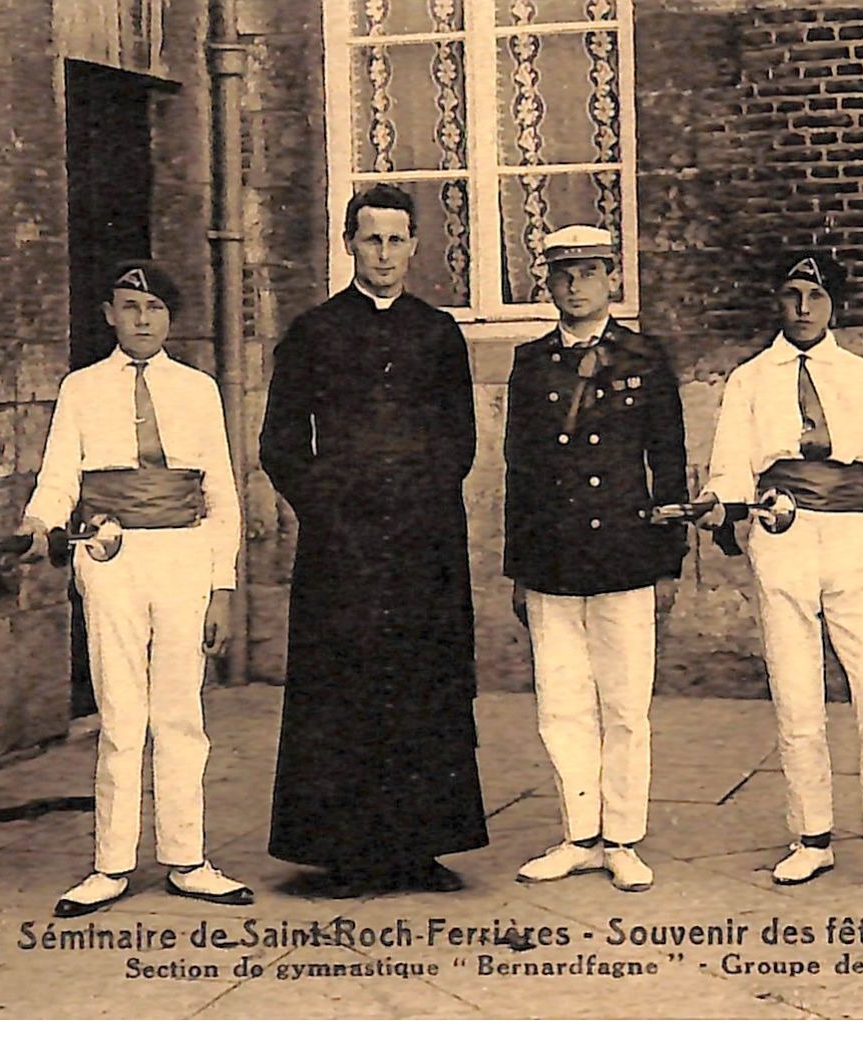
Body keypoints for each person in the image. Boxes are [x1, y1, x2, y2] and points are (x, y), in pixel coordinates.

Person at [693, 252, 863, 900]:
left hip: (851, 541)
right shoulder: (749, 379)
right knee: (797, 693)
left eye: (814, 294)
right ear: (776, 302)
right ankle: (809, 836)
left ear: (834, 303)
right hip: (782, 537)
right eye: (791, 293)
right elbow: (730, 467)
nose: (802, 307)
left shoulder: (862, 377)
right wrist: (719, 501)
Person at [260, 184, 487, 898]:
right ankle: (345, 852)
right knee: (343, 692)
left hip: (423, 546)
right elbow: (282, 443)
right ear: (348, 245)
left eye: (395, 239)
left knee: (424, 686)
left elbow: (460, 438)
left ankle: (421, 846)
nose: (383, 254)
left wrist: (417, 505)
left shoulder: (437, 332)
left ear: (413, 245)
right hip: (342, 548)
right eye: (369, 239)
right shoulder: (314, 331)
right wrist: (332, 508)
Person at [18, 260, 252, 916]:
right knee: (120, 713)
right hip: (110, 555)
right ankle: (110, 863)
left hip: (182, 555)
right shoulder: (82, 389)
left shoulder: (198, 390)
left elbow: (220, 496)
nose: (141, 320)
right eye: (128, 306)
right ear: (108, 314)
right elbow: (61, 474)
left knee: (180, 712)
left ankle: (187, 857)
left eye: (152, 309)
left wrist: (221, 586)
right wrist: (39, 520)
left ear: (169, 318)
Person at [503, 225, 687, 893]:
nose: (574, 285)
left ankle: (623, 837)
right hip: (552, 556)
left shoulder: (644, 357)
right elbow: (517, 470)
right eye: (561, 274)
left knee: (624, 702)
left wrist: (669, 561)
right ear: (546, 282)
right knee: (560, 703)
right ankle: (578, 832)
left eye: (587, 271)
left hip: (624, 550)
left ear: (612, 278)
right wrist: (518, 567)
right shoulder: (530, 363)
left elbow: (667, 464)